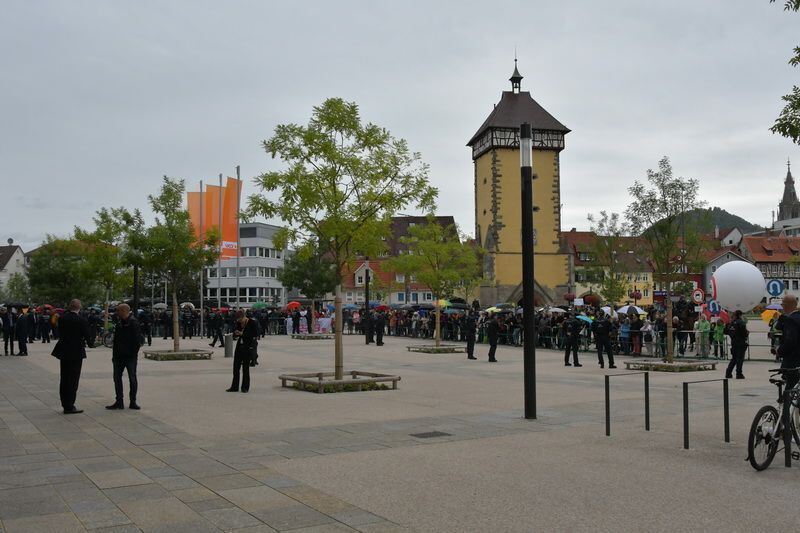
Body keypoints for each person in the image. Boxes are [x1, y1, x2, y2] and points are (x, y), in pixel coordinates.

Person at [51, 299, 94, 414]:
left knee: (64, 377)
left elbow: (59, 331)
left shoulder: (62, 318)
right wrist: (90, 343)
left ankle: (64, 403)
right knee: (73, 378)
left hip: (64, 350)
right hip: (76, 351)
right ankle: (70, 405)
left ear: (70, 307)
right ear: (79, 307)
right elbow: (87, 335)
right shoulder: (81, 320)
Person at [106, 304, 143, 410]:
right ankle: (119, 401)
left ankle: (133, 401)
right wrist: (114, 356)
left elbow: (137, 341)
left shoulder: (133, 322)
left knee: (132, 378)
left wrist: (132, 353)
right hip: (118, 356)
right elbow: (116, 341)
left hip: (129, 357)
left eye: (118, 311)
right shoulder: (119, 323)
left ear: (123, 310)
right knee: (117, 378)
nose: (116, 313)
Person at [227, 310, 259, 393]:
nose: (239, 321)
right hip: (239, 346)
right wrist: (236, 333)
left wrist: (242, 334)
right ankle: (234, 386)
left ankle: (245, 387)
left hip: (248, 347)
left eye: (240, 319)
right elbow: (235, 333)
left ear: (244, 317)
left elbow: (255, 334)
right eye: (238, 320)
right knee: (236, 367)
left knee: (245, 368)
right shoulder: (238, 323)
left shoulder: (252, 322)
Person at [776, 294, 800, 392]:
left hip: (793, 360)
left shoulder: (791, 320)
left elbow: (790, 340)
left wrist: (779, 351)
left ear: (785, 305)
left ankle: (787, 407)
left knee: (789, 390)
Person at [725, 310, 749, 380]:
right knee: (740, 359)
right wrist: (747, 333)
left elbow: (727, 332)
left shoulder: (731, 323)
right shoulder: (741, 323)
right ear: (740, 315)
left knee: (734, 359)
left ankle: (728, 373)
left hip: (734, 343)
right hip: (741, 343)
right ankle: (739, 373)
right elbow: (744, 334)